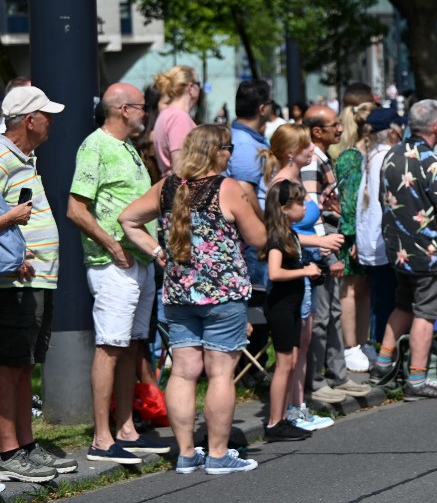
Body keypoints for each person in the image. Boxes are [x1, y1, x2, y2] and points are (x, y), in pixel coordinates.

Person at [119, 125, 265, 475]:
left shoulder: (169, 185)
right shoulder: (226, 188)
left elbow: (127, 218)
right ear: (216, 151)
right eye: (227, 148)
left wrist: (157, 251)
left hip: (179, 292)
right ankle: (217, 455)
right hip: (222, 293)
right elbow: (258, 238)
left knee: (183, 373)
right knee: (220, 373)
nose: (231, 154)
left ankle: (186, 454)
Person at [67, 84, 169, 465]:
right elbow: (76, 209)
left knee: (130, 344)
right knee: (110, 345)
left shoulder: (127, 147)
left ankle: (126, 429)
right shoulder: (96, 146)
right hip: (114, 264)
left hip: (137, 262)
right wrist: (111, 245)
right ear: (125, 109)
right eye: (142, 107)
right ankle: (101, 438)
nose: (146, 113)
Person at [259, 125, 366, 406]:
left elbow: (305, 221)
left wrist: (323, 206)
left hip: (313, 265)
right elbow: (279, 235)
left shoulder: (296, 182)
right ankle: (301, 399)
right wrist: (321, 244)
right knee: (302, 339)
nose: (311, 150)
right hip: (299, 269)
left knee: (313, 333)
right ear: (290, 154)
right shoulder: (280, 185)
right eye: (306, 146)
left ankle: (302, 402)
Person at [368, 99, 437, 399]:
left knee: (403, 305)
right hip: (427, 250)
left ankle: (382, 364)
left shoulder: (392, 155)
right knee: (425, 312)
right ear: (436, 126)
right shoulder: (429, 159)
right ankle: (417, 378)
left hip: (398, 248)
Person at [0, 86, 72, 483]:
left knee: (24, 365)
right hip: (14, 282)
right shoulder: (1, 156)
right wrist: (11, 221)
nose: (52, 121)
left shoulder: (22, 157)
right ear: (30, 120)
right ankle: (8, 450)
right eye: (47, 115)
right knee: (10, 366)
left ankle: (25, 446)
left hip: (35, 280)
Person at [260, 179, 325, 442]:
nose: (304, 206)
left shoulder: (292, 234)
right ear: (284, 208)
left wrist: (316, 273)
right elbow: (275, 273)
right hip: (281, 307)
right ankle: (275, 422)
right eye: (299, 202)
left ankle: (284, 416)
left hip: (293, 305)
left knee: (292, 360)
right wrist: (304, 271)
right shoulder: (277, 237)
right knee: (284, 363)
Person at [330, 102, 378, 371]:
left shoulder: (372, 155)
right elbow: (348, 203)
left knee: (364, 288)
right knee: (350, 289)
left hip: (367, 233)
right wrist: (354, 239)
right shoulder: (351, 158)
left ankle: (363, 341)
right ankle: (350, 346)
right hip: (352, 235)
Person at [356, 107, 405, 344]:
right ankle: (384, 353)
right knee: (387, 300)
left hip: (372, 239)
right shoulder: (389, 155)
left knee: (379, 298)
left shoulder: (373, 154)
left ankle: (377, 347)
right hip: (384, 240)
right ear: (392, 131)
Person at [225, 80, 272, 288]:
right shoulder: (244, 143)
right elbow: (245, 190)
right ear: (262, 108)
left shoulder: (245, 138)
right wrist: (263, 226)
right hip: (252, 237)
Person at [152, 66, 200, 176]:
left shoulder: (167, 114)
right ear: (191, 87)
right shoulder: (179, 118)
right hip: (184, 189)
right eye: (198, 84)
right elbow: (180, 168)